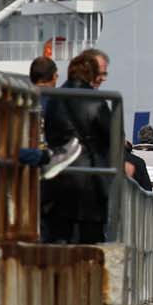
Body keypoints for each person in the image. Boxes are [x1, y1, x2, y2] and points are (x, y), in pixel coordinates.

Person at [42, 50, 120, 244]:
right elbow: (112, 136)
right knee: (89, 243)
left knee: (58, 240)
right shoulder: (96, 101)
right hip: (91, 183)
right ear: (91, 73)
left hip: (58, 179)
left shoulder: (53, 99)